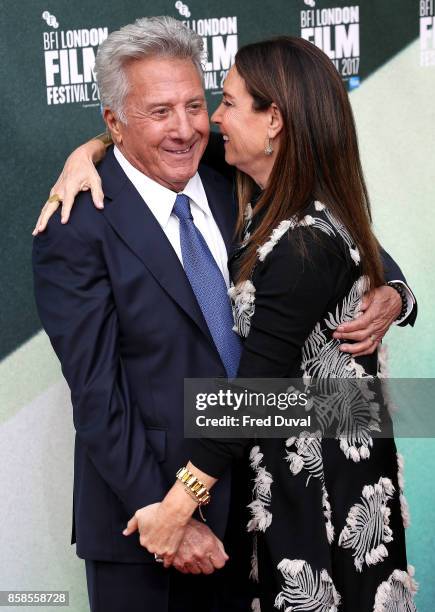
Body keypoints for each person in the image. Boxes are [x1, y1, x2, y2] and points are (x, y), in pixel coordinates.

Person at [32, 17, 416, 612]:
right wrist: (170, 515)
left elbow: (330, 227)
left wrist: (390, 285)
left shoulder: (227, 173)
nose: (188, 129)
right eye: (160, 112)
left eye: (197, 104)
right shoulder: (78, 225)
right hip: (150, 528)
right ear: (113, 121)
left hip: (264, 514)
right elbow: (97, 396)